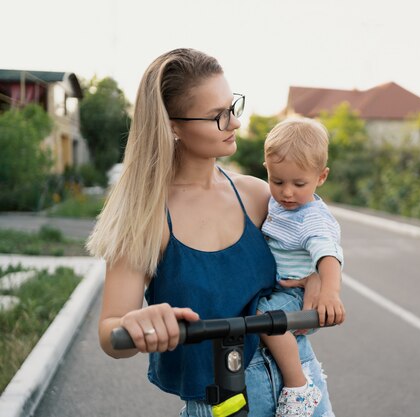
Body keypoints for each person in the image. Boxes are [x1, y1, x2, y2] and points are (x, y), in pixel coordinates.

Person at [87, 48, 334, 417]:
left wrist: (319, 276)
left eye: (232, 107)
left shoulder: (258, 195)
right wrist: (133, 322)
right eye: (217, 116)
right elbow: (112, 335)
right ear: (173, 124)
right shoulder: (144, 217)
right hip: (218, 405)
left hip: (300, 391)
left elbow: (319, 234)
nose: (234, 123)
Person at [256, 118, 345, 417]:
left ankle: (298, 386)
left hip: (297, 295)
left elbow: (328, 257)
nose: (287, 193)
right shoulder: (277, 204)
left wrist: (329, 294)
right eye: (277, 181)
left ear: (321, 177)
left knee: (266, 320)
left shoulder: (311, 218)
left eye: (298, 183)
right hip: (281, 288)